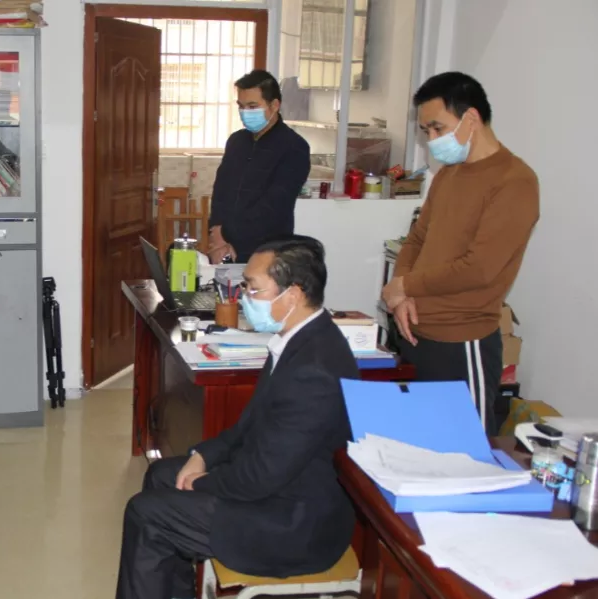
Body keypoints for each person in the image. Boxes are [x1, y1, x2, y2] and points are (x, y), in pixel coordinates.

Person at [115, 235, 358, 599]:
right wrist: (202, 456)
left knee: (146, 513)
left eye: (252, 288)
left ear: (292, 295)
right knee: (161, 474)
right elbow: (248, 427)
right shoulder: (296, 339)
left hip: (293, 523)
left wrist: (202, 483)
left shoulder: (315, 369)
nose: (243, 296)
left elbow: (260, 477)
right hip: (276, 490)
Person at [381, 72, 539, 436]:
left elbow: (479, 269)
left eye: (438, 128)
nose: (432, 140)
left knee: (464, 450)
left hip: (461, 341)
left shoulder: (515, 181)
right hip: (415, 334)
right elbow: (417, 239)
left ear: (471, 118)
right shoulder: (449, 174)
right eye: (426, 131)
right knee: (416, 444)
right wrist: (401, 294)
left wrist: (404, 285)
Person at [207, 70, 311, 264]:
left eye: (252, 106)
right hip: (226, 249)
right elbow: (221, 191)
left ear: (274, 105)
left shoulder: (294, 147)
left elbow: (275, 205)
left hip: (267, 252)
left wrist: (227, 233)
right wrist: (218, 236)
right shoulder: (237, 141)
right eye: (241, 106)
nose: (245, 112)